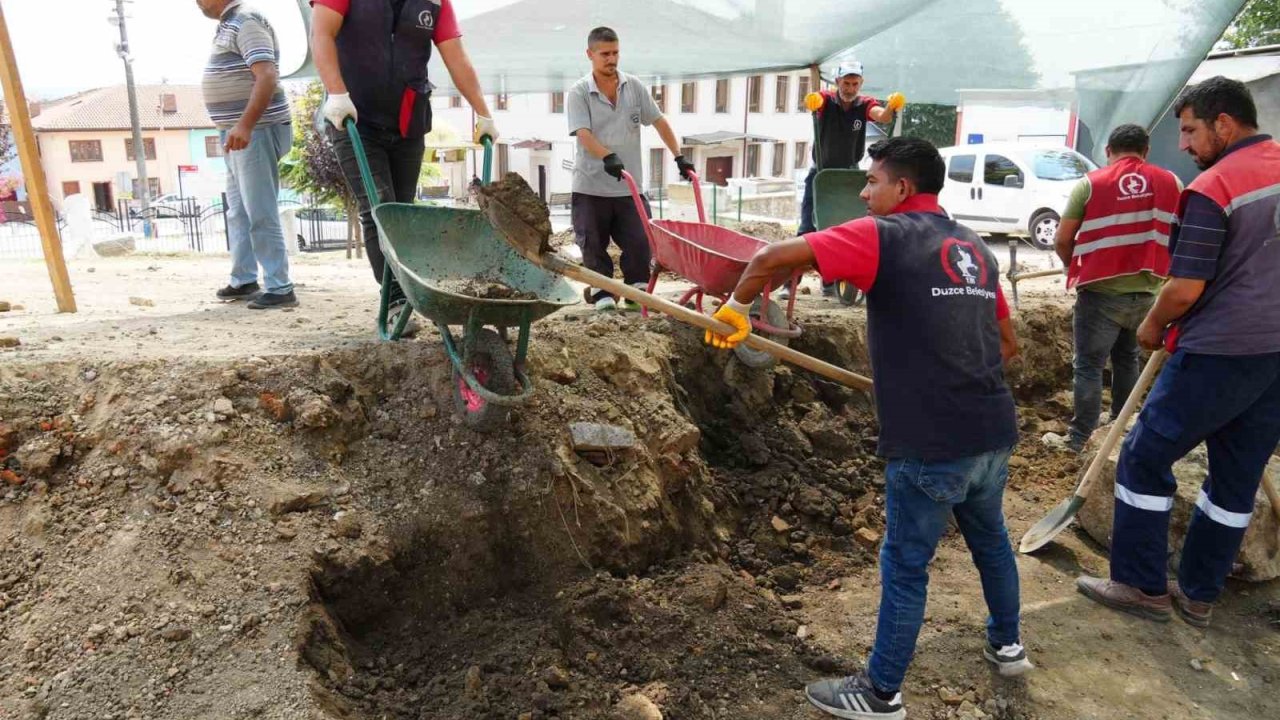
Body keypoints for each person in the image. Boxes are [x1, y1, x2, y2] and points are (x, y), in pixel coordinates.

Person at [706, 137, 1028, 720]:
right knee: (992, 541)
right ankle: (1008, 646)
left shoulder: (884, 235)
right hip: (992, 428)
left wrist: (736, 305)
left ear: (902, 188)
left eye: (872, 180)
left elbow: (771, 258)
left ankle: (881, 694)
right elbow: (1006, 345)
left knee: (906, 566)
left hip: (931, 443)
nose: (862, 191)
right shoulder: (974, 247)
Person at [1076, 77, 1280, 628]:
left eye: (1190, 130)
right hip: (1274, 356)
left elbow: (1185, 288)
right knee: (1236, 477)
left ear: (1224, 123)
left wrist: (1153, 323)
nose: (1184, 144)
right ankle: (1199, 594)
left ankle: (1141, 586)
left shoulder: (1216, 187)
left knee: (1143, 458)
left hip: (1217, 352)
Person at [310, 0, 498, 329]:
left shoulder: (436, 3)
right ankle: (396, 298)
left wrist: (483, 113)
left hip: (407, 123)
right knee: (380, 209)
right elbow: (321, 33)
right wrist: (336, 93)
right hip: (355, 119)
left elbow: (456, 56)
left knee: (403, 212)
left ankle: (408, 292)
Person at [1042, 124, 1181, 452]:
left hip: (1101, 293)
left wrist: (1072, 264)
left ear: (1108, 150)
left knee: (1089, 365)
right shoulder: (1172, 182)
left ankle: (1079, 439)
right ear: (1146, 151)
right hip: (1149, 292)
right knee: (1127, 356)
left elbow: (1063, 239)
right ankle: (1121, 425)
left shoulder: (1091, 184)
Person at [568, 26, 694, 312]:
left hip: (629, 186)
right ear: (590, 55)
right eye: (605, 54)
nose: (611, 59)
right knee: (593, 243)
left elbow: (660, 121)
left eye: (615, 53)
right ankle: (602, 293)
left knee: (641, 240)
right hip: (591, 186)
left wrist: (678, 156)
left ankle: (637, 288)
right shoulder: (579, 92)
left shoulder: (634, 87)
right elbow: (584, 135)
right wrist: (607, 156)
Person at [199, 0, 296, 309]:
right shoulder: (229, 25)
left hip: (255, 131)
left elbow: (267, 75)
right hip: (236, 133)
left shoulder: (246, 21)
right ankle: (244, 279)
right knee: (238, 212)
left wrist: (245, 125)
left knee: (260, 211)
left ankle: (280, 288)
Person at [796, 62, 905, 297]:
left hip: (848, 175)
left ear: (861, 84)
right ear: (837, 82)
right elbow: (813, 102)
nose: (850, 88)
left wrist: (891, 108)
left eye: (855, 83)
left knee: (843, 229)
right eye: (846, 83)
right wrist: (811, 101)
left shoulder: (864, 104)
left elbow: (882, 117)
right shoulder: (826, 100)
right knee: (807, 227)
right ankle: (790, 283)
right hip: (821, 174)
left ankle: (831, 282)